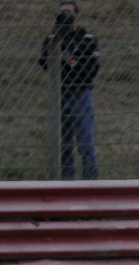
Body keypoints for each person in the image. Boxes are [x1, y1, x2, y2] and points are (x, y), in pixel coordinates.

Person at [39, 2, 100, 179]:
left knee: (85, 144)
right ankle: (66, 185)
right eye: (62, 13)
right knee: (62, 145)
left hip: (80, 95)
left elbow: (90, 70)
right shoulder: (53, 39)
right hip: (59, 96)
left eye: (68, 13)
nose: (65, 16)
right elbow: (44, 63)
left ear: (77, 15)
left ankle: (90, 185)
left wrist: (70, 61)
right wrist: (55, 42)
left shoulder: (87, 39)